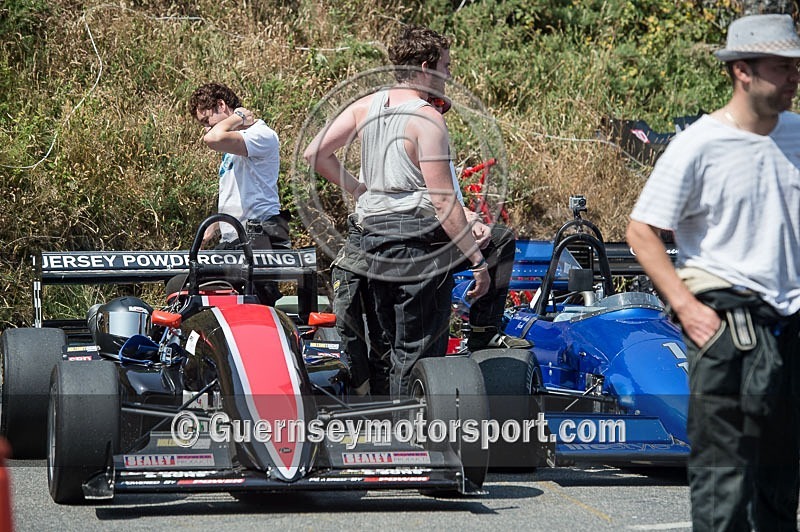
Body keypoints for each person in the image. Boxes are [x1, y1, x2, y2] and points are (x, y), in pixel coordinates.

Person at [625, 14, 800, 531]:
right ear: (743, 70)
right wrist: (688, 309)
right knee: (725, 479)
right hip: (727, 321)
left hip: (789, 323)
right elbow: (641, 230)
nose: (795, 76)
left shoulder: (797, 135)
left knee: (781, 478)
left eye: (796, 66)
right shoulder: (698, 144)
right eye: (783, 67)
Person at [304, 25, 490, 398]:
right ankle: (410, 428)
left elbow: (315, 154)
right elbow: (442, 201)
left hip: (371, 239)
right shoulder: (427, 117)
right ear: (426, 68)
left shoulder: (365, 106)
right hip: (414, 241)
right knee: (417, 347)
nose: (450, 75)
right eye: (446, 66)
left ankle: (377, 426)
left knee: (385, 342)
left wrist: (357, 187)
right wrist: (477, 261)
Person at [185, 82, 290, 304]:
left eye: (207, 121)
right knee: (189, 285)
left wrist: (238, 117)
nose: (206, 129)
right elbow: (235, 191)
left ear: (221, 105)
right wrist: (214, 227)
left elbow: (212, 139)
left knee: (257, 303)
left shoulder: (260, 134)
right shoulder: (233, 147)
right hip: (234, 237)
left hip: (258, 234)